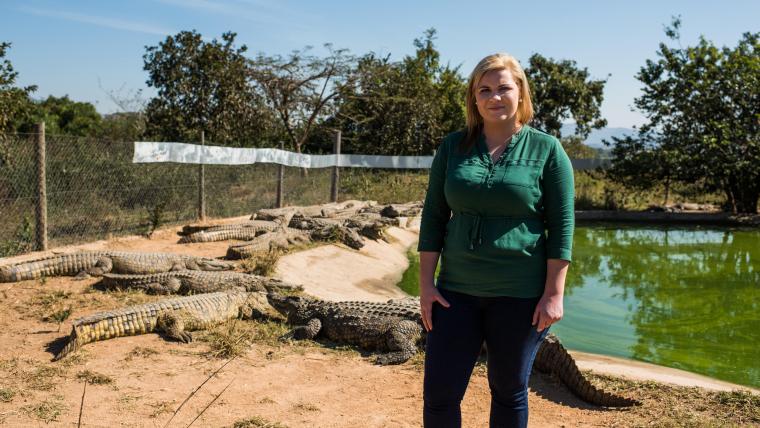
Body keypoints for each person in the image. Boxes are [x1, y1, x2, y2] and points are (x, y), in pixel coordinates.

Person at [418, 53, 574, 428]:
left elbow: (562, 225)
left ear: (520, 92)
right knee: (439, 393)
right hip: (455, 292)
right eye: (484, 89)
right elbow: (434, 217)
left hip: (520, 296)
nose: (494, 97)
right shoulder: (452, 147)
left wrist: (554, 293)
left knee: (508, 390)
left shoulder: (547, 150)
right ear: (474, 98)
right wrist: (426, 285)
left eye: (504, 87)